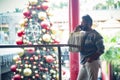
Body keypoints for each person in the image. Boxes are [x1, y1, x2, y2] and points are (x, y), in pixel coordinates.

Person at [76, 14, 105, 80]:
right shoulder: (82, 34)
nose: (81, 24)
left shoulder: (96, 35)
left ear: (89, 23)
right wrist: (75, 31)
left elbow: (101, 50)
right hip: (83, 62)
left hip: (92, 62)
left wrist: (91, 58)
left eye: (83, 22)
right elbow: (72, 45)